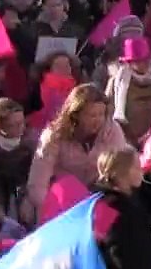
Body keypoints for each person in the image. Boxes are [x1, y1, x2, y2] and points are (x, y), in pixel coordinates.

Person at [25, 84, 128, 226]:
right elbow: (38, 182)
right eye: (92, 115)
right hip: (61, 200)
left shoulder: (112, 131)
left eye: (101, 114)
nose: (97, 120)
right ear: (75, 114)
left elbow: (122, 169)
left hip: (97, 196)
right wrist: (49, 208)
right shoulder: (54, 135)